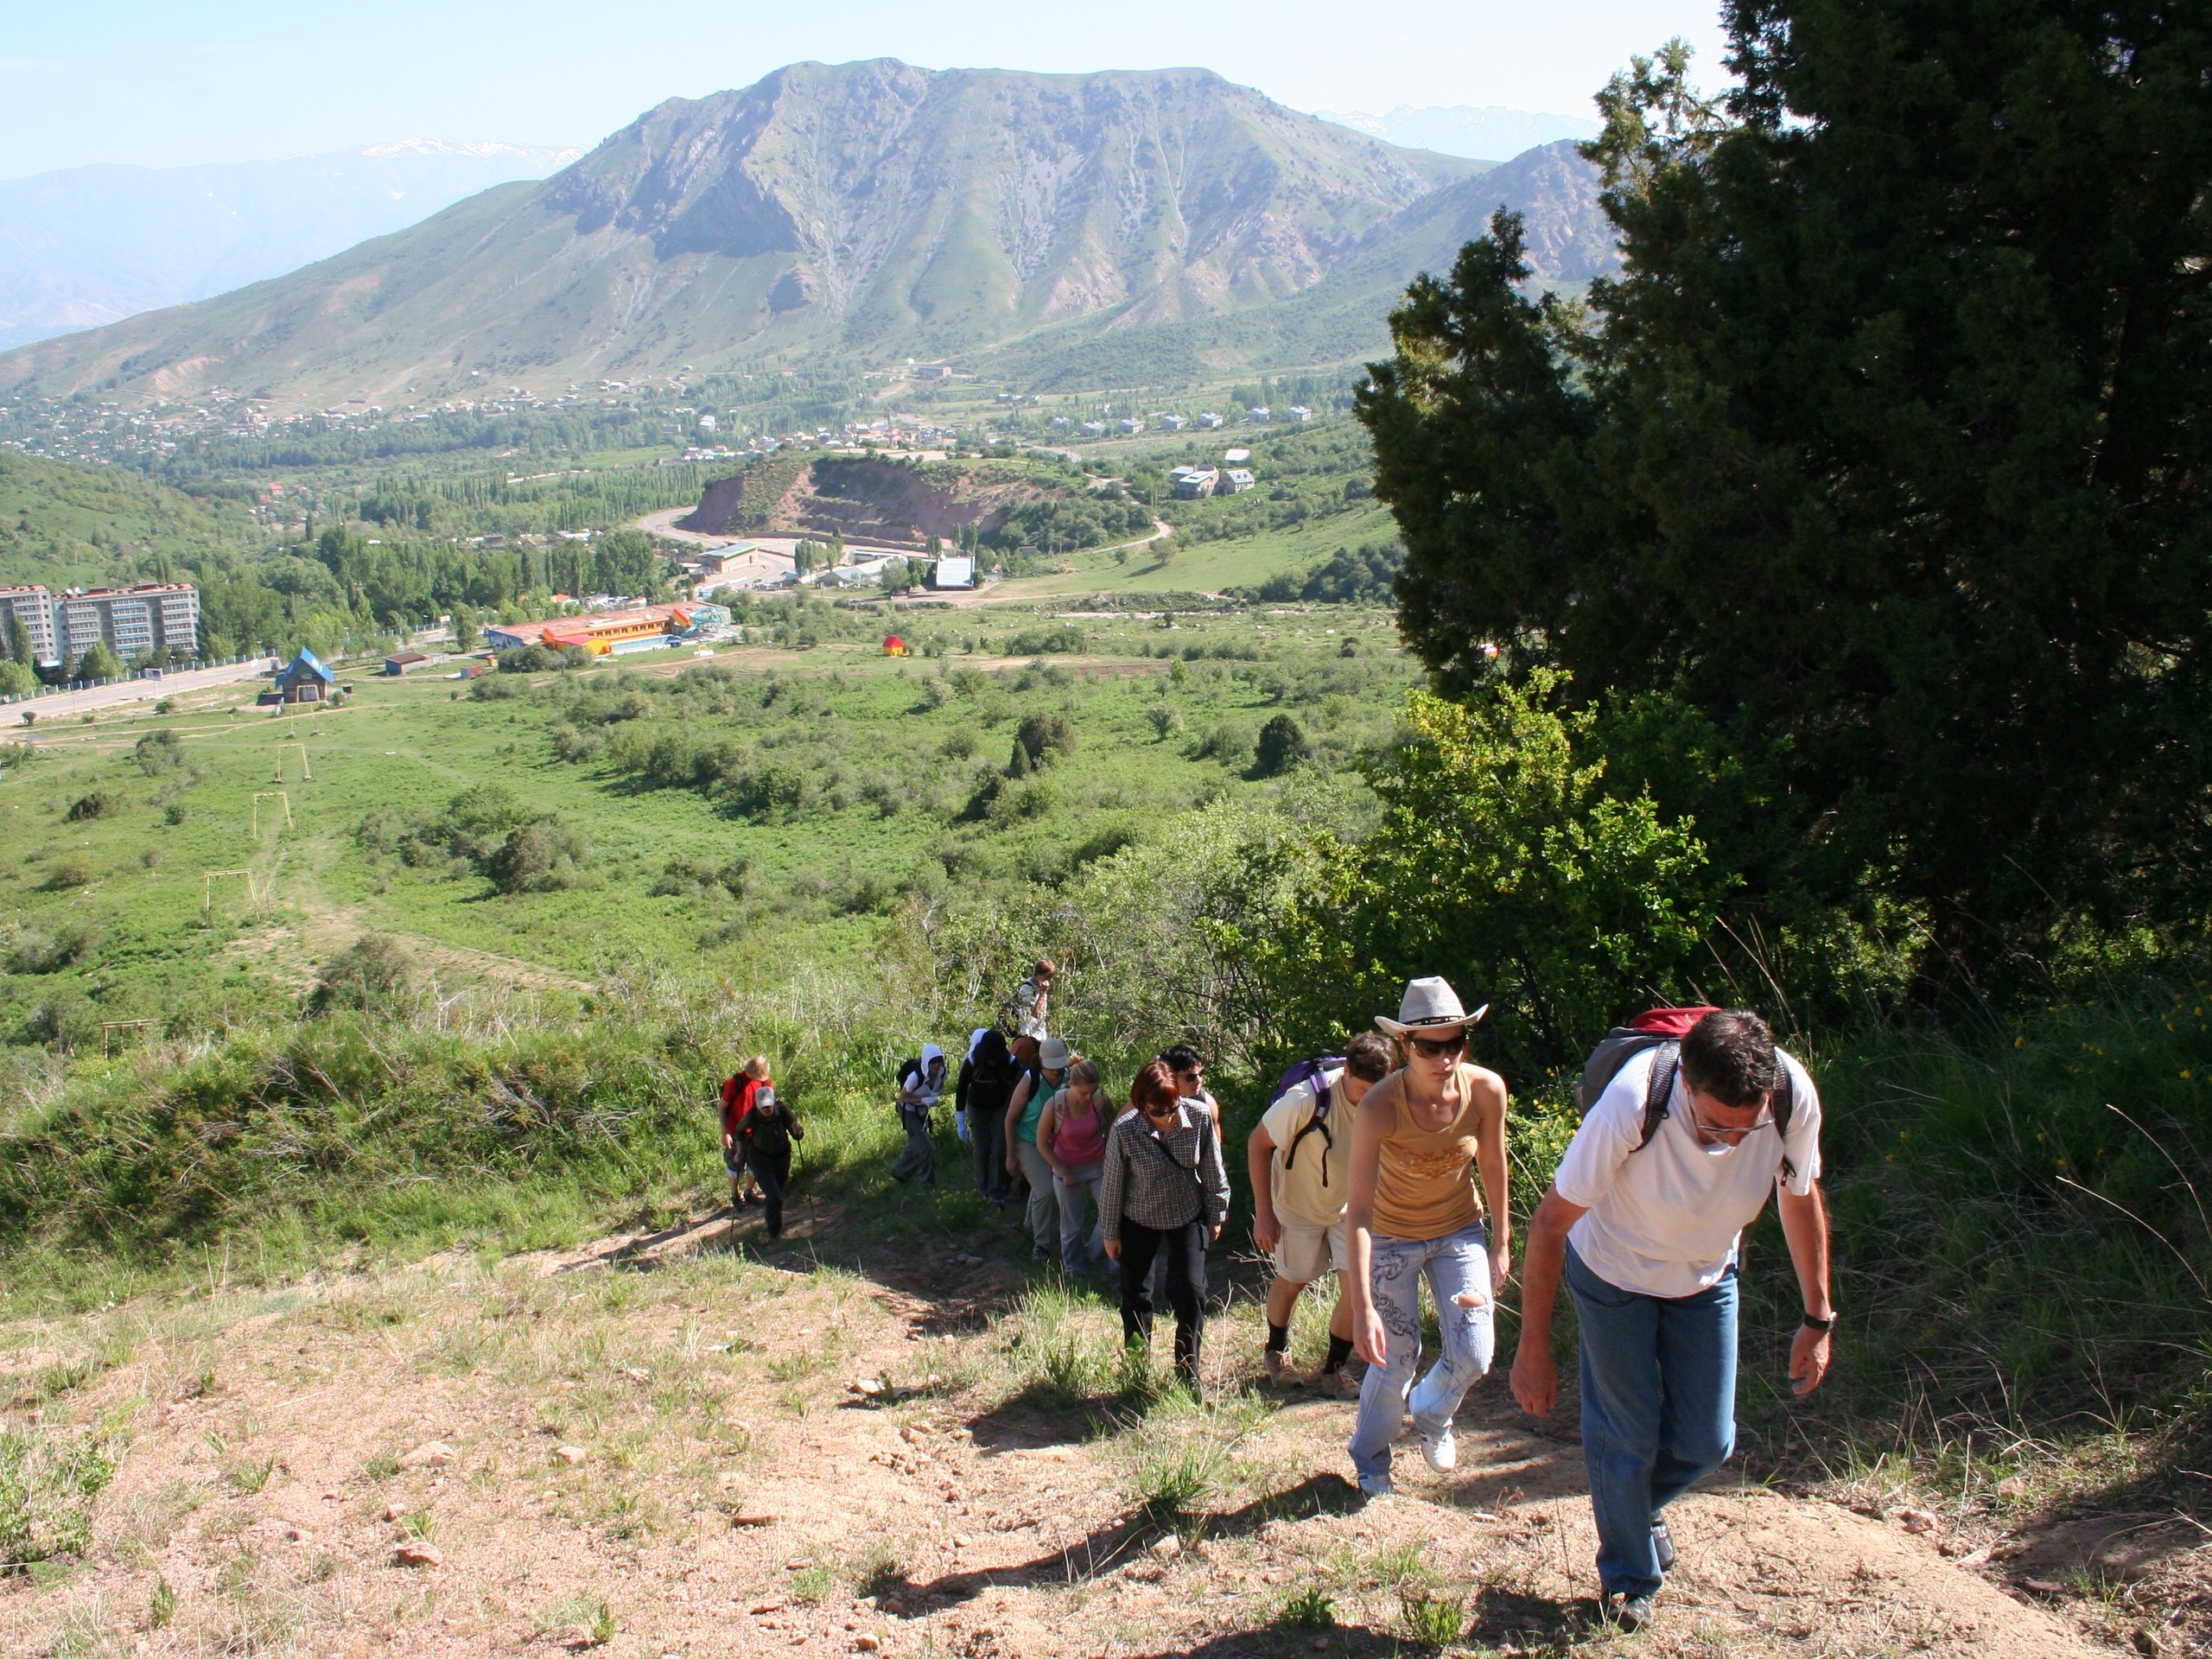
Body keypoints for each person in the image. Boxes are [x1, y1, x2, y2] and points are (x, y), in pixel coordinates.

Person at [1510, 1007, 1830, 1632]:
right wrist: (1533, 1348)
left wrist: (1818, 1315)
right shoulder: (1635, 1100)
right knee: (1628, 1435)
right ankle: (1629, 1582)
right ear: (1687, 1080)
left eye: (1747, 1131)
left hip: (1707, 1274)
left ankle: (1634, 1509)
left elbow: (1799, 1197)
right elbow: (1550, 1223)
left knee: (1709, 1442)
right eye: (1716, 1127)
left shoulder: (1791, 1097)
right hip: (1612, 1273)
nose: (1732, 1143)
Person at [1345, 976, 1510, 1500]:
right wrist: (1362, 1306)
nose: (1444, 1057)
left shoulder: (1486, 1090)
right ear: (1404, 1046)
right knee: (1393, 1358)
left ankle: (1434, 1410)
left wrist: (1502, 1241)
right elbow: (1360, 1209)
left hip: (1459, 1230)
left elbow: (1493, 1163)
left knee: (1476, 1351)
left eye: (1455, 1042)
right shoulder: (1378, 1106)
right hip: (1391, 1237)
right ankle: (1371, 1460)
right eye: (1428, 1046)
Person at [1249, 1033, 1394, 1395]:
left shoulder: (1389, 1099)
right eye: (1362, 1089)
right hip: (1298, 1207)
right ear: (1346, 1072)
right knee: (1293, 1279)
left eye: (1377, 1090)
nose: (1369, 1099)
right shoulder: (1308, 1100)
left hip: (1353, 1211)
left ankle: (1334, 1371)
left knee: (1357, 1289)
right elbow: (1258, 1143)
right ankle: (1276, 1351)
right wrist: (1263, 1213)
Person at [1100, 1059, 1230, 1389]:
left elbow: (1214, 1170)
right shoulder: (1125, 1129)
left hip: (1187, 1213)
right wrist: (1111, 1232)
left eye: (1171, 1108)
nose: (1166, 1117)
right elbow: (1113, 1185)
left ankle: (1188, 1369)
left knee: (1190, 1291)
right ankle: (1136, 1365)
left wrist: (1217, 1213)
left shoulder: (1198, 1116)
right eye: (1156, 1110)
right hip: (1138, 1218)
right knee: (1137, 1294)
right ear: (1142, 1104)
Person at [1036, 1058, 1114, 1274]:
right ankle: (1073, 1268)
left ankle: (1097, 1255)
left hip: (1097, 1164)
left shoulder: (1100, 1100)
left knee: (1111, 1214)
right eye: (1084, 1093)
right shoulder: (1055, 1105)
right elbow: (1041, 1143)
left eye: (1093, 1091)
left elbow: (1115, 1126)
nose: (1089, 1097)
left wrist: (1108, 1157)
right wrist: (1063, 1171)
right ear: (1071, 1085)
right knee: (1072, 1223)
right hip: (1066, 1166)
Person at [1004, 1036, 1071, 1262]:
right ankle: (1041, 1244)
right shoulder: (1029, 1080)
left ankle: (1029, 1225)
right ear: (1041, 1063)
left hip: (1053, 1144)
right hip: (1027, 1141)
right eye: (1051, 1069)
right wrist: (1011, 1155)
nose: (1055, 1073)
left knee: (1039, 1186)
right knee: (1045, 1189)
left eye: (1059, 1068)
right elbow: (1011, 1118)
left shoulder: (1069, 1079)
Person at [732, 1079, 804, 1241]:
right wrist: (741, 1151)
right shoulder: (751, 1116)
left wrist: (798, 1132)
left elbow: (795, 1132)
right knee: (774, 1196)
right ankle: (774, 1233)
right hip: (759, 1159)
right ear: (757, 1105)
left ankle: (772, 1227)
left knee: (777, 1194)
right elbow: (740, 1132)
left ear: (773, 1103)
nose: (766, 1109)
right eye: (763, 1106)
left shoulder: (782, 1110)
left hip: (782, 1157)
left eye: (768, 1106)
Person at [960, 1029, 1016, 1204]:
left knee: (1000, 1149)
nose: (992, 1061)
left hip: (1001, 1107)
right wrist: (960, 1119)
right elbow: (961, 1089)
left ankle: (998, 1189)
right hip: (978, 1107)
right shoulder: (972, 1062)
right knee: (982, 1149)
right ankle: (982, 1187)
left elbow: (1019, 1087)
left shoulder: (1012, 1063)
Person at [720, 1056, 771, 1210]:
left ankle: (749, 1192)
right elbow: (722, 1107)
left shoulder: (764, 1081)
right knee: (735, 1165)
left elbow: (769, 1105)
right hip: (736, 1132)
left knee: (757, 1164)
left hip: (756, 1131)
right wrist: (725, 1132)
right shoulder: (735, 1083)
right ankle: (735, 1196)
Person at [892, 1045, 946, 1185]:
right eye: (933, 1062)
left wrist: (934, 1096)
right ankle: (927, 1183)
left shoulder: (942, 1072)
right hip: (908, 1110)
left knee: (916, 1144)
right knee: (925, 1147)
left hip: (922, 1110)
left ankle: (900, 1172)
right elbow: (902, 1098)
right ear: (927, 1062)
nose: (936, 1065)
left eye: (939, 1061)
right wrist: (922, 1101)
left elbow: (941, 1087)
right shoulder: (915, 1077)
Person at [1007, 958, 1057, 1040]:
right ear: (1038, 975)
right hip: (1028, 1034)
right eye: (1046, 977)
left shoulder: (1041, 988)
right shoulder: (1026, 989)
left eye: (1050, 978)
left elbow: (1042, 1016)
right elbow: (1034, 1015)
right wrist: (1043, 994)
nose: (1049, 981)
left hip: (1040, 1034)